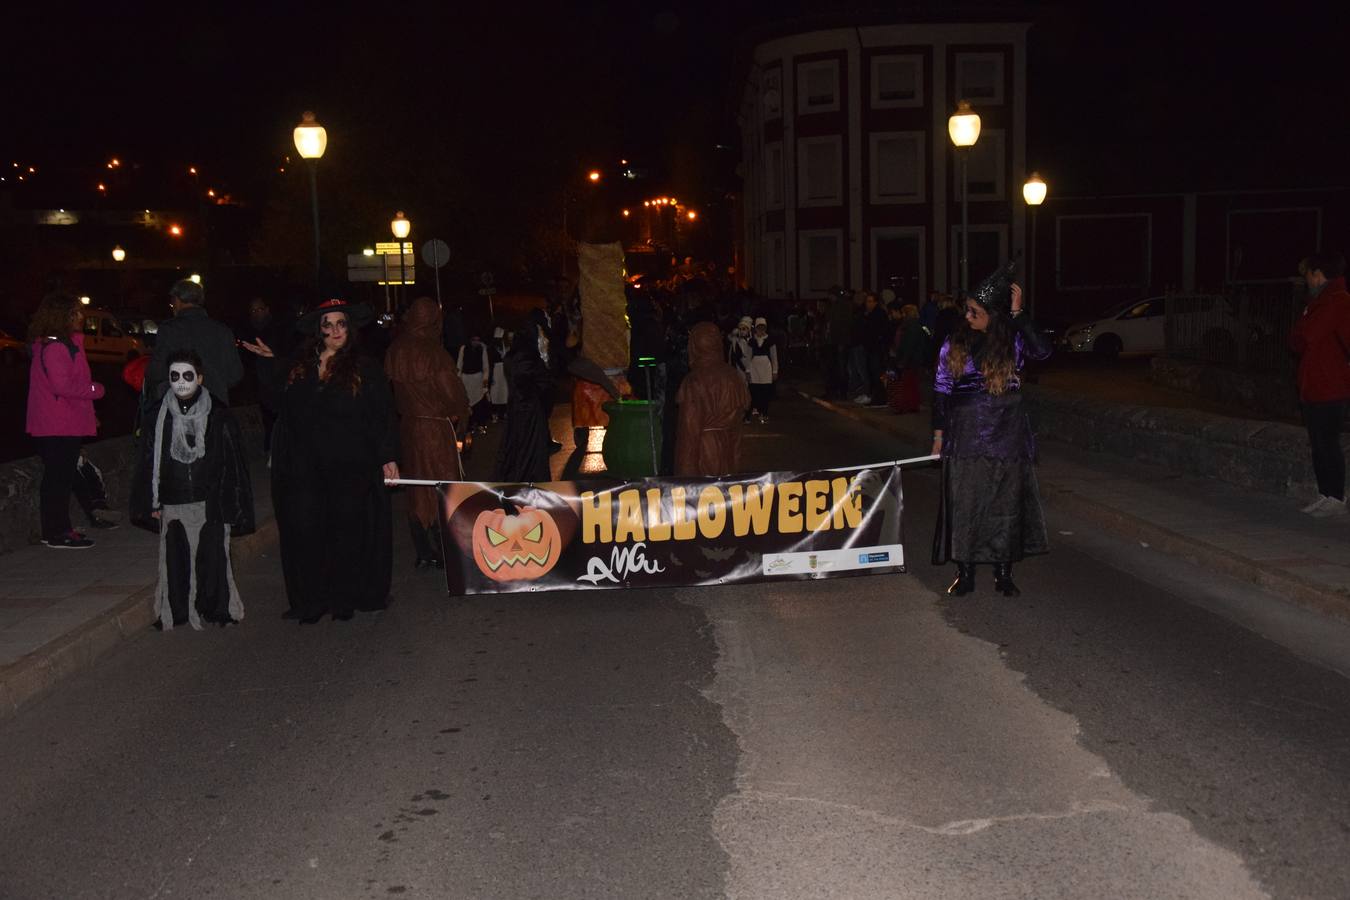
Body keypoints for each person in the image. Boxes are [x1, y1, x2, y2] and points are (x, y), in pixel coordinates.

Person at [242, 298, 399, 623]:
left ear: (350, 328)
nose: (335, 331)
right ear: (319, 330)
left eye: (341, 323)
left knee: (347, 531)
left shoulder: (365, 367)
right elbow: (277, 405)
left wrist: (387, 456)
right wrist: (269, 364)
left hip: (350, 466)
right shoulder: (299, 365)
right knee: (308, 531)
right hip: (305, 467)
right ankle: (313, 600)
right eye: (327, 325)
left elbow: (382, 414)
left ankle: (345, 598)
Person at [931, 265, 1052, 597]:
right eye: (967, 309)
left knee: (1004, 503)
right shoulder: (954, 341)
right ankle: (965, 572)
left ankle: (1003, 572)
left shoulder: (1012, 338)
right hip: (965, 433)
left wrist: (1019, 315)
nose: (968, 316)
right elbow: (941, 389)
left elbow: (1043, 350)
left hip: (1007, 433)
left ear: (993, 314)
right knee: (965, 502)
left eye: (976, 311)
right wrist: (938, 436)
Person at [130, 350, 254, 630]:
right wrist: (153, 500)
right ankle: (176, 611)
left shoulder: (218, 413)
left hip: (208, 499)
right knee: (175, 559)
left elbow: (231, 460)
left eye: (188, 376)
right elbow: (150, 459)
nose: (181, 383)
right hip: (173, 499)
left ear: (200, 378)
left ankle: (217, 609)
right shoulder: (158, 415)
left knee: (213, 558)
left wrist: (229, 500)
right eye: (175, 377)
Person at [385, 297, 471, 569]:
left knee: (416, 488)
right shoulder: (433, 352)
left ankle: (423, 549)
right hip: (434, 429)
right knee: (442, 484)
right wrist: (461, 410)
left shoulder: (396, 348)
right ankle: (445, 549)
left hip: (409, 428)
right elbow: (451, 391)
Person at [25, 292, 105, 549]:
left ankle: (60, 528)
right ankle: (56, 532)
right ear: (64, 316)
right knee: (57, 480)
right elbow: (64, 386)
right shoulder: (56, 348)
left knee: (60, 478)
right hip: (57, 424)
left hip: (60, 422)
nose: (81, 317)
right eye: (76, 312)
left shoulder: (61, 344)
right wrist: (96, 390)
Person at [1288, 251, 1350, 517]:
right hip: (1313, 385)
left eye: (1309, 275)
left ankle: (1336, 496)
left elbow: (1305, 336)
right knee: (1318, 444)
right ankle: (1324, 493)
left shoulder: (1337, 301)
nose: (1307, 281)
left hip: (1331, 385)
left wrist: (1302, 327)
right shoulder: (1319, 302)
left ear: (1318, 274)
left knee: (1328, 443)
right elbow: (1296, 339)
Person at [145, 279, 242, 407]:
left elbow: (157, 372)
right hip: (215, 407)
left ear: (177, 300)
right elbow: (235, 374)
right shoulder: (222, 330)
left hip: (179, 407)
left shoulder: (169, 330)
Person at [675, 321, 751, 476]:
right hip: (730, 449)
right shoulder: (733, 376)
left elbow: (689, 435)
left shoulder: (694, 381)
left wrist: (684, 481)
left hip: (704, 455)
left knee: (706, 497)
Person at [495, 330, 554, 482]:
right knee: (533, 448)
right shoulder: (533, 359)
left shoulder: (509, 358)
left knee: (515, 445)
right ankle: (533, 479)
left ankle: (514, 478)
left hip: (515, 408)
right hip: (532, 409)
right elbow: (544, 383)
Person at [241, 296, 292, 454]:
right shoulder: (249, 332)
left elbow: (289, 358)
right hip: (262, 389)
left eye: (260, 309)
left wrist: (274, 358)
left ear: (267, 310)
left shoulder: (281, 330)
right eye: (253, 311)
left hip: (281, 387)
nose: (257, 313)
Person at [887, 303, 927, 414]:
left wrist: (902, 361)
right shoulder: (915, 325)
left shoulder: (910, 326)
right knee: (912, 384)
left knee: (906, 384)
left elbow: (908, 345)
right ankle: (912, 405)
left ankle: (904, 406)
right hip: (913, 359)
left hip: (909, 360)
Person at [745, 316, 779, 422]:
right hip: (754, 368)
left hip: (766, 368)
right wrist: (748, 370)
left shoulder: (770, 340)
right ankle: (751, 413)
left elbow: (774, 357)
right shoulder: (751, 341)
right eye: (759, 327)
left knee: (765, 392)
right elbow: (748, 356)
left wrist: (775, 371)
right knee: (754, 392)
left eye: (763, 327)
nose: (761, 329)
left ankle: (764, 413)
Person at [457, 335, 491, 432]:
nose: (476, 342)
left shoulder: (482, 348)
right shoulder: (463, 348)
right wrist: (458, 380)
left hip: (477, 379)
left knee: (479, 402)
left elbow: (486, 366)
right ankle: (469, 425)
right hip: (466, 379)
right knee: (467, 402)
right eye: (474, 340)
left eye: (478, 340)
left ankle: (480, 424)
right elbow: (459, 364)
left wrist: (485, 380)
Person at [488, 326, 510, 421]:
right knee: (496, 392)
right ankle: (496, 413)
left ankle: (504, 412)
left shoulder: (505, 345)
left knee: (504, 392)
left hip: (503, 369)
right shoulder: (492, 347)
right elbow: (491, 361)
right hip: (496, 370)